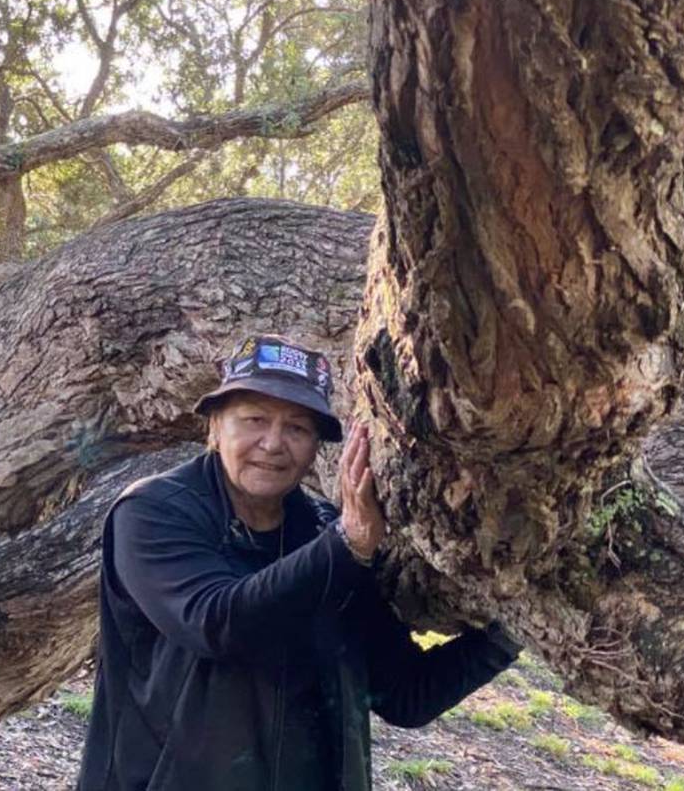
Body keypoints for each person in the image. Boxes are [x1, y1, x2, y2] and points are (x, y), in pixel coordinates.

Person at [76, 333, 520, 791]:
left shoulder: (324, 530)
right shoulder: (155, 511)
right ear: (214, 426)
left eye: (297, 428)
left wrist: (518, 627)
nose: (273, 443)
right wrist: (347, 545)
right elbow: (215, 623)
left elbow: (406, 694)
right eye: (254, 419)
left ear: (315, 447)